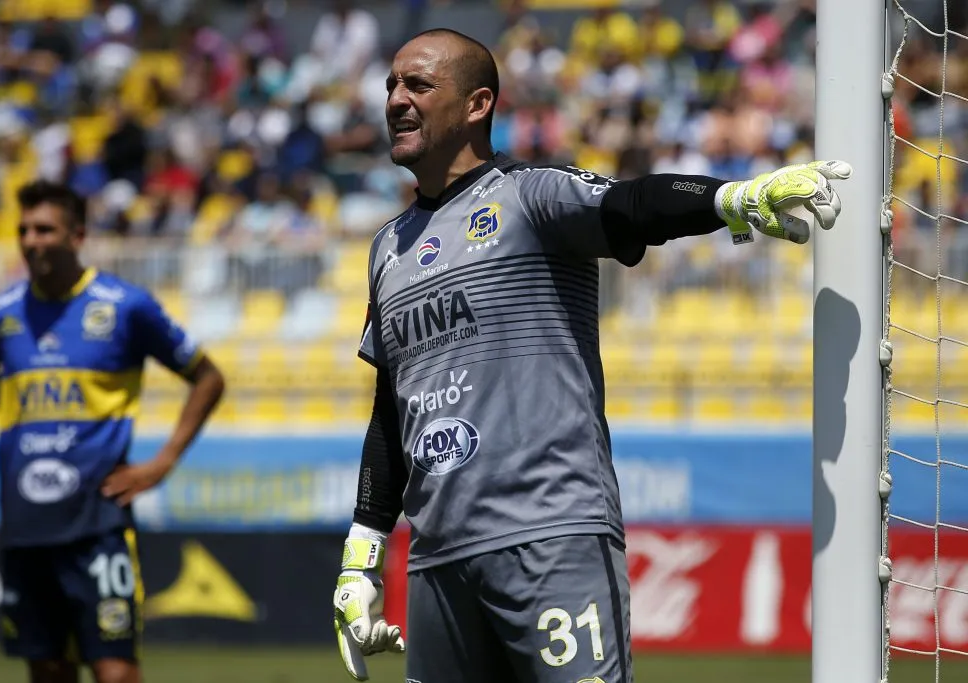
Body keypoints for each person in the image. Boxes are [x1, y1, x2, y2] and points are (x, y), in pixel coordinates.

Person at [331, 28, 851, 683]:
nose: (395, 100)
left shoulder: (528, 197)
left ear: (477, 104)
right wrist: (362, 554)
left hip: (552, 538)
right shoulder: (388, 249)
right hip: (438, 562)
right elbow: (390, 408)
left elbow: (632, 205)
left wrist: (731, 199)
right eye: (391, 86)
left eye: (418, 84)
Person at [0, 180, 225, 683]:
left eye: (45, 229)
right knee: (48, 671)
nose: (31, 240)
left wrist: (164, 460)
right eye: (23, 230)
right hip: (25, 528)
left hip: (97, 524)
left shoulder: (125, 306)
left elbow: (208, 378)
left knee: (116, 671)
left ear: (78, 234)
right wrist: (18, 408)